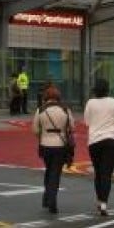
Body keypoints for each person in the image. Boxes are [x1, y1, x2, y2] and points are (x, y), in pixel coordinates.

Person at [83, 78, 114, 217]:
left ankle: (98, 199)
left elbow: (86, 122)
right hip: (111, 140)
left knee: (98, 172)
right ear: (108, 89)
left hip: (94, 141)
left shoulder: (90, 103)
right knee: (106, 173)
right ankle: (104, 204)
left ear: (95, 90)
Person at [32, 85, 71, 215]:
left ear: (46, 97)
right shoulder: (65, 110)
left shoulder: (41, 110)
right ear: (58, 97)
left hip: (45, 145)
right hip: (60, 145)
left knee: (49, 170)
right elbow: (72, 127)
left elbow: (35, 130)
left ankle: (47, 197)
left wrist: (42, 136)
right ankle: (52, 200)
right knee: (55, 173)